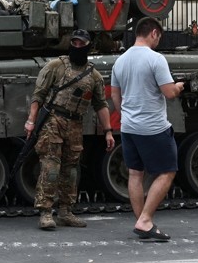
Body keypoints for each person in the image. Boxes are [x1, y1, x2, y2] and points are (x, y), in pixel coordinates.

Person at [26, 29, 114, 230]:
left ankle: (66, 210)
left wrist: (108, 131)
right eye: (74, 43)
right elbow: (38, 96)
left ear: (88, 46)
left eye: (81, 44)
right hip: (54, 120)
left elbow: (101, 104)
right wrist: (31, 121)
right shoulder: (56, 66)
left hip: (76, 123)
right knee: (51, 166)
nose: (77, 46)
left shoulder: (94, 76)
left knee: (71, 169)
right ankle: (46, 212)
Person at [110, 17, 185, 242]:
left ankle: (142, 221)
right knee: (167, 171)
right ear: (153, 33)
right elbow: (169, 93)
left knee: (135, 173)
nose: (158, 41)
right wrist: (179, 86)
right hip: (153, 128)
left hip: (129, 127)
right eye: (158, 37)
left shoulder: (120, 61)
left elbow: (115, 95)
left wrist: (126, 116)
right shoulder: (156, 59)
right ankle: (145, 220)